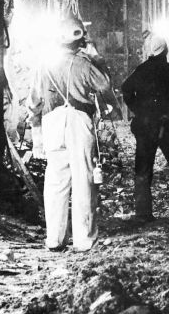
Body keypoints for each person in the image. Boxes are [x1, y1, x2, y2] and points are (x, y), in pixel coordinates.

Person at [27, 17, 112, 252]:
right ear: (80, 40)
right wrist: (96, 57)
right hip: (78, 120)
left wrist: (37, 130)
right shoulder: (84, 63)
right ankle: (84, 240)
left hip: (52, 120)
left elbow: (33, 101)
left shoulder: (44, 64)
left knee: (55, 180)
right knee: (83, 179)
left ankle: (55, 239)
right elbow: (105, 86)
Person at [121, 35, 169, 221]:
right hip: (163, 124)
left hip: (145, 125)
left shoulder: (141, 70)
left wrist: (138, 110)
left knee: (143, 167)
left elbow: (126, 89)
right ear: (166, 51)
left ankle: (143, 212)